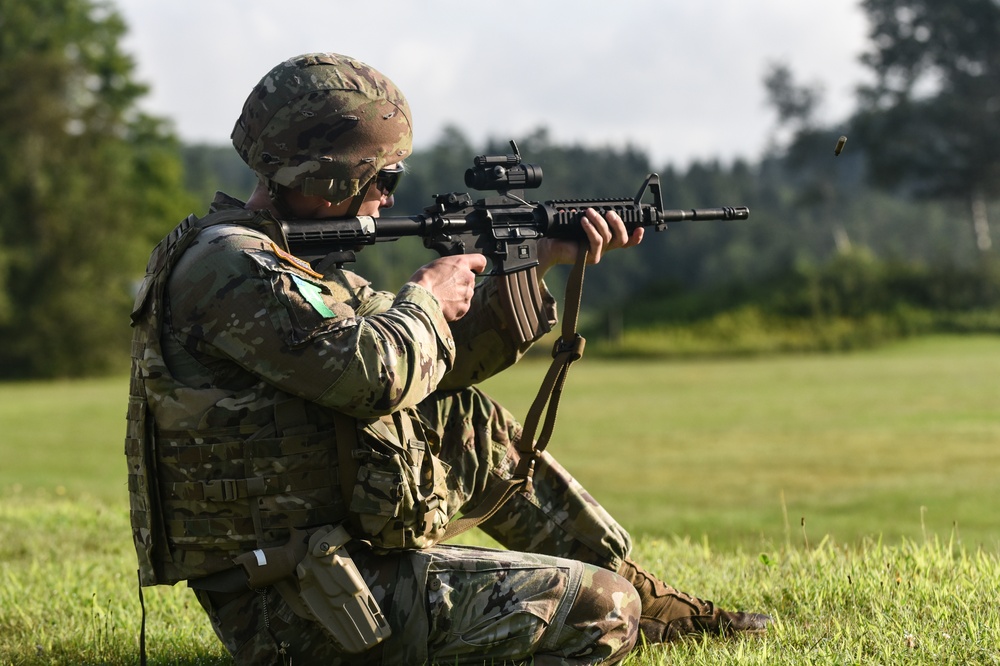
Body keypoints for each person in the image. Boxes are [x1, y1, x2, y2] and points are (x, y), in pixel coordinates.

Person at [125, 52, 770, 665]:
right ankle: (625, 599)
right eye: (382, 177)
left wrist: (533, 261)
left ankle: (644, 594)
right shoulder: (232, 267)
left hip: (334, 567)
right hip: (301, 604)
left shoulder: (295, 268)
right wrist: (427, 297)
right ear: (329, 176)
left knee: (462, 415)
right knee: (605, 611)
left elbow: (440, 364)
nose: (386, 195)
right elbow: (374, 374)